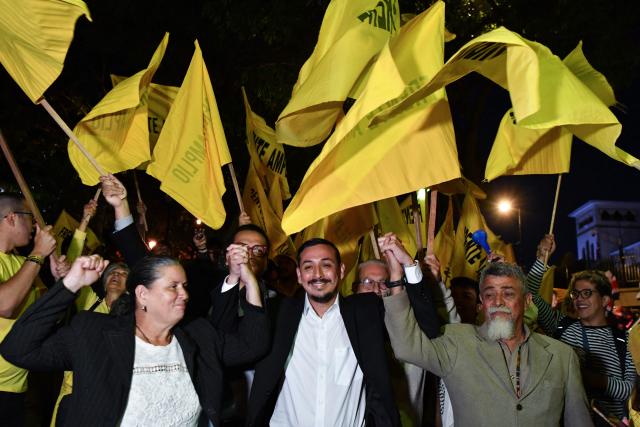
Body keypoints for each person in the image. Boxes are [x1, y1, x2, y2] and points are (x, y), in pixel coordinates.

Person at [0, 254, 269, 426]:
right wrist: (69, 285)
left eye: (185, 286)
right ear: (142, 294)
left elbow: (253, 345)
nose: (184, 294)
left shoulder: (198, 336)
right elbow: (17, 348)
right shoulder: (95, 334)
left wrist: (250, 282)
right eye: (172, 287)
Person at [384, 261, 593, 427]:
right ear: (482, 303)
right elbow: (406, 347)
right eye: (490, 294)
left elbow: (579, 421)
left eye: (508, 293)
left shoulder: (562, 356)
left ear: (528, 301)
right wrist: (395, 279)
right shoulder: (457, 341)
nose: (498, 301)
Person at [247, 236, 412, 427]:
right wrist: (239, 277)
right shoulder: (277, 313)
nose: (318, 274)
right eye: (308, 267)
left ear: (341, 271)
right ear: (299, 275)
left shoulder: (365, 312)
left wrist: (403, 268)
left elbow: (419, 328)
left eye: (326, 265)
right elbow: (234, 343)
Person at [528, 234, 634, 425]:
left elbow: (628, 389)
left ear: (604, 300)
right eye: (575, 294)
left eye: (587, 293)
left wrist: (582, 376)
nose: (579, 299)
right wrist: (541, 258)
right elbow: (530, 295)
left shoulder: (624, 339)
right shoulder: (560, 325)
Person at [353, 234, 440, 427]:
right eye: (367, 282)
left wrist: (406, 264)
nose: (376, 288)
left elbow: (431, 328)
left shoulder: (406, 322)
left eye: (383, 282)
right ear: (354, 289)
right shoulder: (343, 323)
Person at [0, 193, 57, 426]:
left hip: (17, 387)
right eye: (29, 217)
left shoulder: (20, 263)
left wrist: (59, 279)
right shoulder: (30, 260)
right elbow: (5, 305)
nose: (35, 226)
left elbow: (45, 316)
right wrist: (38, 254)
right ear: (11, 218)